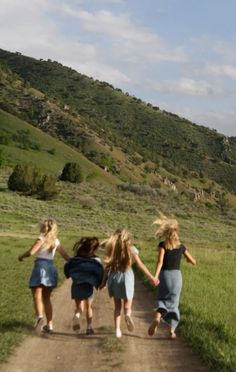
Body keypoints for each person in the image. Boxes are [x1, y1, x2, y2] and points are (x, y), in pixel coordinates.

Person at [100, 229, 157, 338]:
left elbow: (107, 268)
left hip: (114, 277)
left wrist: (103, 282)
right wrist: (151, 277)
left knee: (117, 307)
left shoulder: (112, 249)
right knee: (127, 305)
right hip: (127, 278)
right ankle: (127, 315)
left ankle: (117, 330)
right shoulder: (132, 250)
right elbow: (140, 265)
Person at [148, 215, 196, 339]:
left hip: (165, 275)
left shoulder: (163, 245)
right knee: (174, 304)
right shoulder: (181, 247)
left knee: (162, 299)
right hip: (177, 276)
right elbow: (193, 261)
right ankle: (171, 331)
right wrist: (191, 261)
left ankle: (157, 318)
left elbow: (159, 262)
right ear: (176, 233)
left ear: (166, 233)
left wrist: (155, 276)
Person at [18, 218, 69, 333]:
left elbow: (31, 252)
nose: (40, 226)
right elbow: (66, 256)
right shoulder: (56, 241)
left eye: (41, 225)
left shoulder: (41, 238)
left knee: (37, 293)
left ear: (44, 227)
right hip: (51, 268)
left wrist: (21, 256)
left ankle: (40, 316)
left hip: (40, 267)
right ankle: (49, 325)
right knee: (47, 298)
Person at [64, 237, 104, 335]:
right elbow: (100, 272)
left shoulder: (76, 259)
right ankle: (89, 328)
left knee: (79, 308)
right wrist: (101, 283)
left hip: (76, 285)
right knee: (89, 307)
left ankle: (77, 316)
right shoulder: (96, 260)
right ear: (94, 249)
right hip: (88, 286)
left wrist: (68, 275)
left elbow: (67, 267)